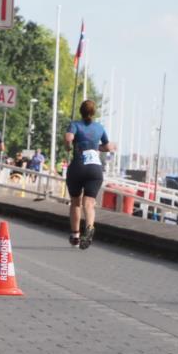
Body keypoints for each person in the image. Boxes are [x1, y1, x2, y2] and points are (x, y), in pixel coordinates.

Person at [64, 99, 115, 248]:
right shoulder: (100, 127)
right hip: (95, 168)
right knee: (89, 203)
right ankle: (89, 227)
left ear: (81, 111)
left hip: (78, 166)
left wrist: (68, 146)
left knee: (75, 202)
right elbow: (108, 146)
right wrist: (96, 147)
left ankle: (75, 235)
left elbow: (68, 138)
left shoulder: (75, 125)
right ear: (94, 112)